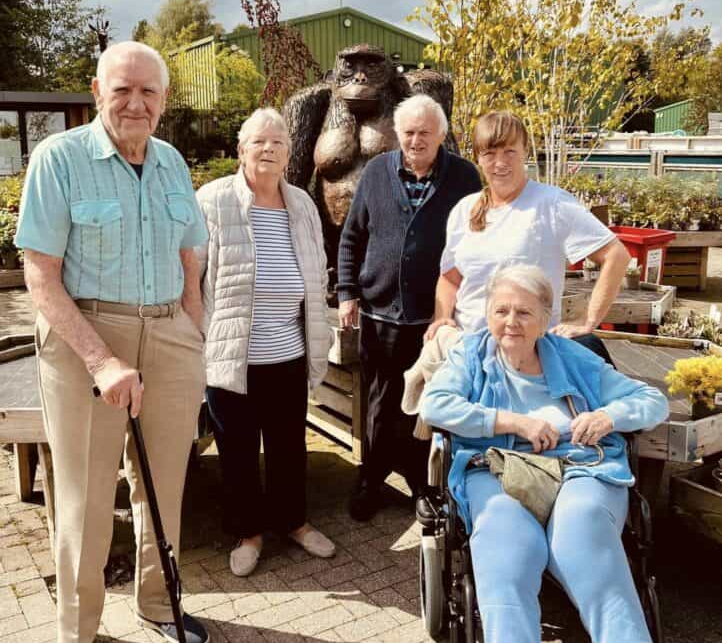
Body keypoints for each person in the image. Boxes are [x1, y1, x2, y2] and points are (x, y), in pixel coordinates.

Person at [15, 41, 210, 643]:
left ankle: (160, 604)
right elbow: (39, 276)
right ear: (98, 91)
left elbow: (191, 250)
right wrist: (101, 359)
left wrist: (192, 318)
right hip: (85, 336)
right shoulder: (59, 159)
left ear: (163, 100)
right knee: (87, 497)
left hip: (169, 331)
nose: (135, 103)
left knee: (167, 487)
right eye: (122, 90)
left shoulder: (173, 162)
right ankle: (76, 631)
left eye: (148, 92)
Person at [421, 264, 669, 643]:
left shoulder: (574, 357)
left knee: (580, 531)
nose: (511, 321)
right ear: (487, 313)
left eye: (523, 312)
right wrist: (510, 421)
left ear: (545, 317)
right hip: (498, 465)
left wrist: (607, 415)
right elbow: (436, 406)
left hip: (582, 467)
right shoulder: (472, 354)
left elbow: (649, 400)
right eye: (501, 310)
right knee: (503, 537)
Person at [196, 108, 335, 578]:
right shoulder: (213, 201)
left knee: (288, 446)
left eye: (278, 142)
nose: (269, 149)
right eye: (259, 141)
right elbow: (188, 279)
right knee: (236, 450)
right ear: (241, 150)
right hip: (235, 356)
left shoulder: (301, 204)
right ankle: (248, 533)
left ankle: (293, 521)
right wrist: (198, 342)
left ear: (288, 153)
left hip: (289, 353)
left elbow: (316, 271)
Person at [337, 94, 481, 520]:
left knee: (427, 400)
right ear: (397, 135)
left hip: (434, 320)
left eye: (424, 132)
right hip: (380, 313)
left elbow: (477, 244)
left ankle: (423, 483)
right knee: (380, 403)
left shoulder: (464, 177)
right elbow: (351, 237)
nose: (415, 140)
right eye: (408, 133)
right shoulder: (377, 172)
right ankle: (372, 478)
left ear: (441, 135)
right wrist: (347, 292)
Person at [425, 111, 629, 351]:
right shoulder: (464, 209)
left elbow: (616, 255)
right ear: (478, 158)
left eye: (510, 151)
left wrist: (588, 320)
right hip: (468, 351)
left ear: (525, 153)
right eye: (489, 153)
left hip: (529, 355)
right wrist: (442, 318)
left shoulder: (552, 204)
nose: (500, 163)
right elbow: (450, 278)